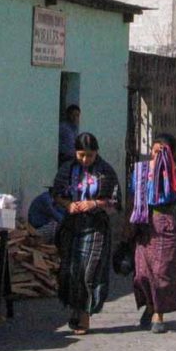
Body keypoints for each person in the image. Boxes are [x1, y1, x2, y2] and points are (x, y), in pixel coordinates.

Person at [52, 132, 119, 335]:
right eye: (81, 155)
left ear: (96, 153)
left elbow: (115, 201)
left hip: (95, 226)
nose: (85, 160)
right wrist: (68, 205)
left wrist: (94, 203)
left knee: (88, 271)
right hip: (72, 225)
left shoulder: (105, 172)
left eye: (89, 155)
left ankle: (85, 316)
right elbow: (56, 194)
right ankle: (74, 310)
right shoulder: (67, 169)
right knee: (71, 269)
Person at [124, 133, 176, 334]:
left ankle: (159, 313)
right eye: (155, 150)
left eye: (163, 151)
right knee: (142, 272)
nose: (157, 154)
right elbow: (133, 196)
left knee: (161, 271)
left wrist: (170, 166)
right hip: (144, 222)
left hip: (165, 221)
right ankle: (149, 304)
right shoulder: (141, 171)